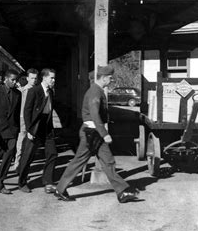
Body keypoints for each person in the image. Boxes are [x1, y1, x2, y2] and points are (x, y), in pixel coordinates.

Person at [54, 64, 140, 203]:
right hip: (92, 133)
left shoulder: (97, 90)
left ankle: (122, 191)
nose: (111, 80)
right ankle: (60, 188)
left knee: (107, 162)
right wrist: (104, 133)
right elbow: (94, 114)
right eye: (110, 78)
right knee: (80, 161)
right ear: (104, 78)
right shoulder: (95, 92)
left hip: (93, 133)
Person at [17, 68, 57, 194]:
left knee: (52, 153)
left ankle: (48, 182)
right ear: (44, 78)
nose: (53, 80)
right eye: (51, 78)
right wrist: (29, 130)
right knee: (28, 155)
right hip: (35, 127)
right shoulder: (34, 91)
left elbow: (49, 111)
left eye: (54, 78)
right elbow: (27, 111)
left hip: (47, 127)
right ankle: (22, 182)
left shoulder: (51, 92)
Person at [10, 68, 39, 172]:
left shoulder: (39, 91)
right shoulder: (22, 91)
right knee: (21, 142)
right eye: (32, 78)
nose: (34, 80)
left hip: (35, 121)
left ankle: (26, 164)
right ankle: (17, 164)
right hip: (23, 119)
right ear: (27, 78)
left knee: (31, 144)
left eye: (35, 78)